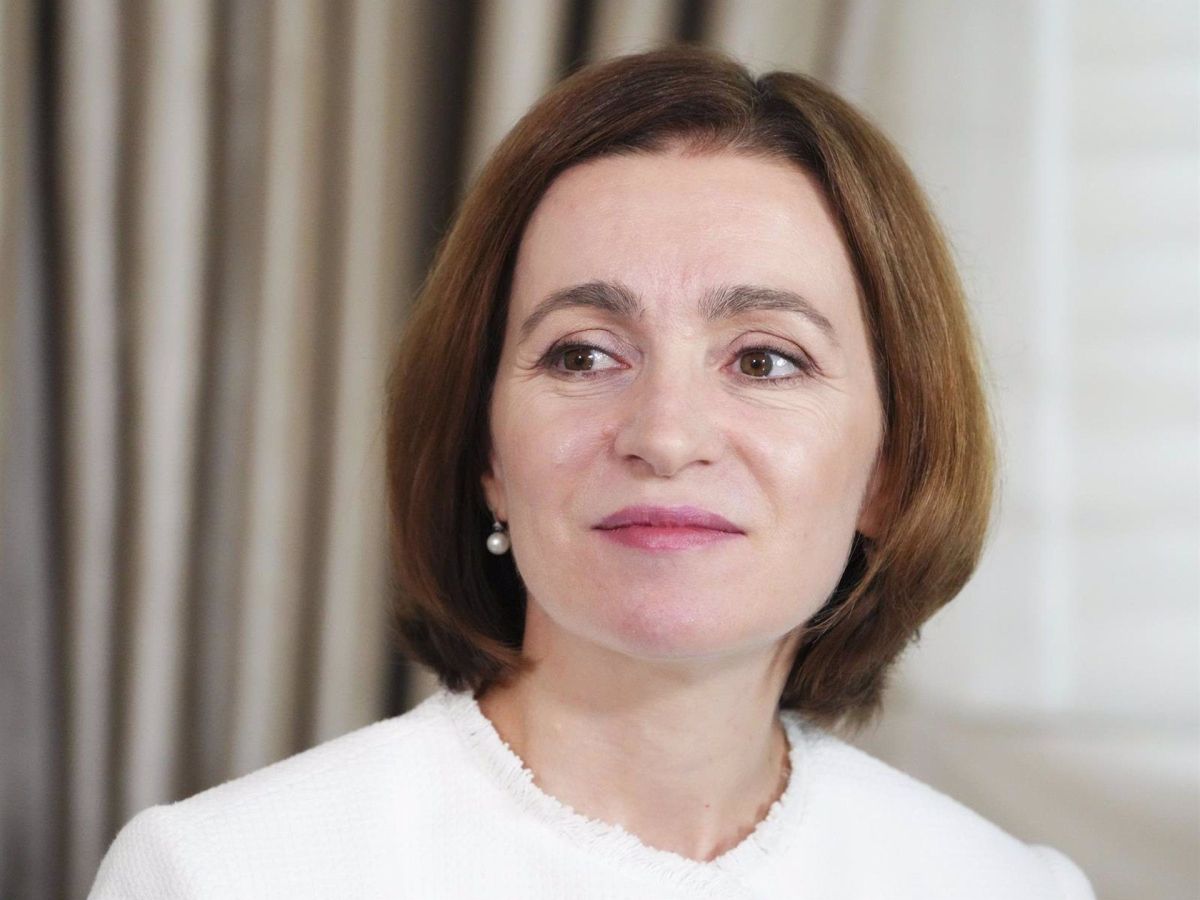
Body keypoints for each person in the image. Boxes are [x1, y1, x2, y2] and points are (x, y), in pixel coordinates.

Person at [90, 46, 1095, 898]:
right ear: (485, 453)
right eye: (582, 354)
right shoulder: (217, 874)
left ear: (891, 468)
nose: (666, 435)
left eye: (765, 361)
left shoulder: (1009, 888)